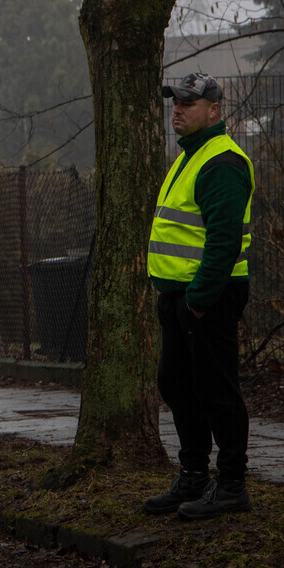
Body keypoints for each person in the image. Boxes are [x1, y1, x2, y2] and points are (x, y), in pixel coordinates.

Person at [144, 72, 255, 521]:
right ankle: (193, 474)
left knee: (217, 391)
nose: (178, 109)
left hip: (208, 297)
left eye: (189, 103)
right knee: (177, 384)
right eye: (175, 102)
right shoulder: (191, 156)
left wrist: (199, 300)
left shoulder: (222, 161)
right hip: (182, 297)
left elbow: (224, 243)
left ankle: (231, 484)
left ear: (215, 110)